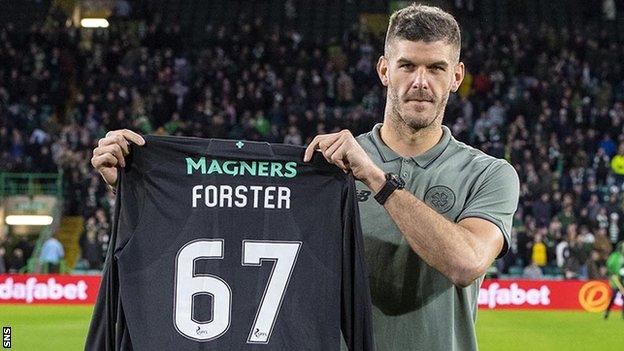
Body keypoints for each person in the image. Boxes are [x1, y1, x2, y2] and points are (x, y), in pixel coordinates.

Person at [91, 5, 519, 350]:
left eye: (436, 68)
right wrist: (138, 187)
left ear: (457, 76)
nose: (420, 82)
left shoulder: (489, 174)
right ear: (385, 71)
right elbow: (233, 226)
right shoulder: (323, 167)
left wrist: (376, 178)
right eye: (407, 66)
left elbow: (465, 263)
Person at [604, 242, 624, 320]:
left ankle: (623, 315)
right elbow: (609, 266)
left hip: (623, 280)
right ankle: (607, 311)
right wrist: (612, 274)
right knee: (613, 296)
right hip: (616, 280)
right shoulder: (615, 256)